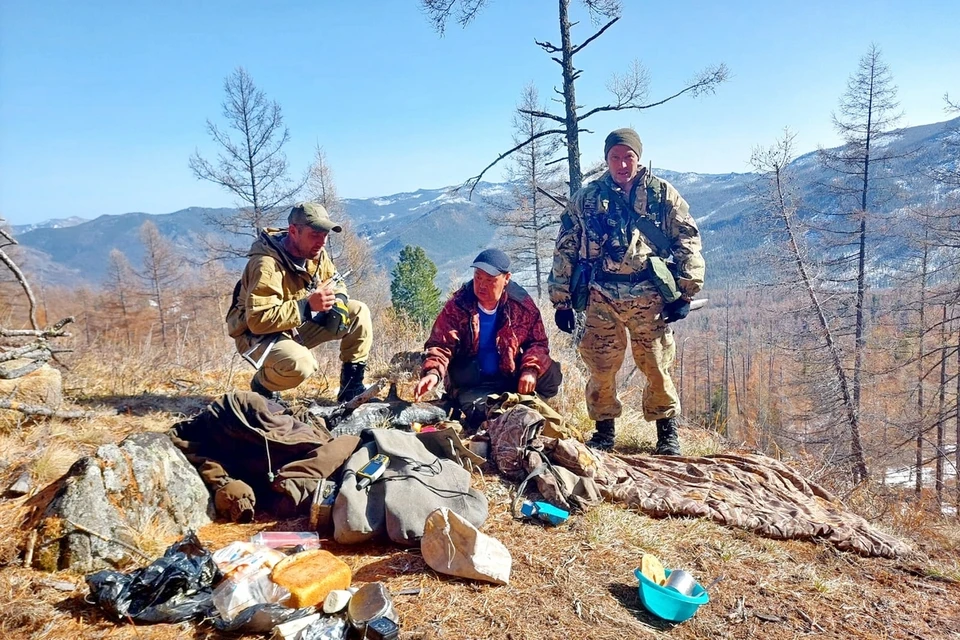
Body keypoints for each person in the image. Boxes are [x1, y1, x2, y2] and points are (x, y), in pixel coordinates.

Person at [548, 128, 705, 454]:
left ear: (639, 157)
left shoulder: (662, 195)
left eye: (628, 156)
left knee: (656, 365)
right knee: (600, 366)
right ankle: (604, 433)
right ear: (606, 159)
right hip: (600, 296)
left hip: (649, 296)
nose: (622, 164)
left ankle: (667, 436)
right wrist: (561, 300)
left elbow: (687, 239)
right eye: (615, 157)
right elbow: (565, 247)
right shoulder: (587, 198)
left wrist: (686, 292)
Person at [226, 202, 372, 403]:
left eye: (325, 235)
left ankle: (351, 388)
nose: (321, 242)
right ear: (294, 231)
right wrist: (307, 307)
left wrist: (338, 300)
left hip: (292, 324)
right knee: (302, 364)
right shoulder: (266, 265)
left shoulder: (315, 253)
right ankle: (263, 386)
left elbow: (334, 281)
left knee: (358, 312)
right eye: (315, 234)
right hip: (257, 336)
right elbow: (258, 320)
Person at [414, 248, 562, 426]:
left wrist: (530, 369)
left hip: (510, 375)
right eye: (478, 277)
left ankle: (526, 403)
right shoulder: (459, 304)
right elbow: (441, 345)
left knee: (551, 374)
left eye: (490, 280)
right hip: (474, 382)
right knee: (483, 414)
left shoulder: (521, 304)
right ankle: (517, 408)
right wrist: (433, 373)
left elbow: (538, 342)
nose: (481, 285)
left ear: (506, 278)